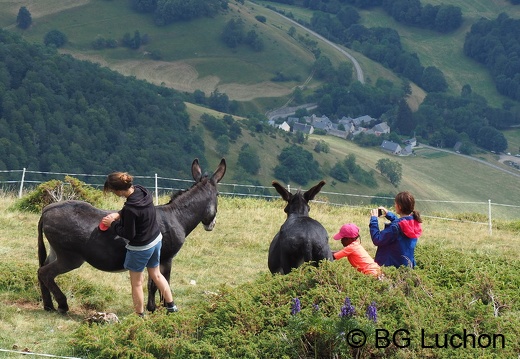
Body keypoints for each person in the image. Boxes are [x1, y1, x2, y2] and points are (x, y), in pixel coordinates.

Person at [101, 172, 178, 316]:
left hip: (141, 248)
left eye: (113, 191)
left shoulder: (131, 209)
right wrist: (119, 214)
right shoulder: (142, 191)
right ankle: (171, 306)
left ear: (118, 191)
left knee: (136, 283)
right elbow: (132, 208)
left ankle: (139, 315)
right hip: (156, 239)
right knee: (156, 275)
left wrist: (113, 224)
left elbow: (129, 234)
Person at [369, 191, 423, 268]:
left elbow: (377, 239)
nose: (394, 205)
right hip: (406, 266)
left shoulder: (395, 227)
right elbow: (402, 223)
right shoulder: (414, 222)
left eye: (395, 203)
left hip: (391, 267)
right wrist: (388, 214)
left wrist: (374, 220)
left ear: (399, 206)